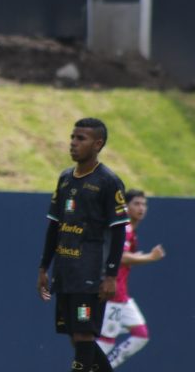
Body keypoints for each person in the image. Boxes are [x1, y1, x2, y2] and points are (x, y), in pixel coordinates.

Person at [37, 118, 130, 372]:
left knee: (84, 335)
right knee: (74, 335)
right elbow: (54, 225)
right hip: (66, 273)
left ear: (97, 144)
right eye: (72, 137)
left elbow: (119, 231)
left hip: (90, 276)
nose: (73, 143)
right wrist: (44, 267)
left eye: (81, 139)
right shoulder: (65, 178)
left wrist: (110, 275)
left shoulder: (108, 181)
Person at [97, 189, 165, 367]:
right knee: (106, 342)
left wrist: (139, 258)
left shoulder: (131, 232)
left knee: (141, 334)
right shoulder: (125, 228)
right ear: (125, 207)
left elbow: (125, 258)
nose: (141, 208)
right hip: (112, 293)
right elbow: (120, 257)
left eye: (144, 204)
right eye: (136, 204)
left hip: (122, 295)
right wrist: (149, 257)